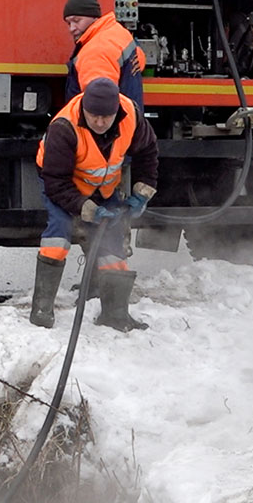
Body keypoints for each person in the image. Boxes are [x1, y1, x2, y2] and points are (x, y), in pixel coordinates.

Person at [30, 77, 158, 332]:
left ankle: (115, 313)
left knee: (113, 245)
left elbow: (148, 153)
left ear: (116, 113)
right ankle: (42, 311)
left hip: (105, 188)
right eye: (93, 116)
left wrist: (141, 193)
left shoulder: (131, 116)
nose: (99, 122)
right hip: (66, 188)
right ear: (84, 109)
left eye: (106, 117)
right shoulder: (63, 128)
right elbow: (55, 183)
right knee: (58, 235)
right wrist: (87, 209)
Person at [62, 0, 146, 110]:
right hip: (130, 121)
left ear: (94, 17)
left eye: (77, 20)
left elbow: (98, 107)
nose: (72, 28)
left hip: (112, 127)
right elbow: (139, 57)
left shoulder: (96, 50)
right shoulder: (117, 32)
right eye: (69, 23)